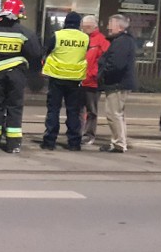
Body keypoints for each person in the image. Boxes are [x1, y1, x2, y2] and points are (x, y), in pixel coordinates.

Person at [0, 0, 42, 153]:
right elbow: (36, 54)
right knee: (14, 107)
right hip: (16, 75)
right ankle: (13, 144)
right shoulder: (25, 33)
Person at [40, 11, 89, 151]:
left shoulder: (57, 36)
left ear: (65, 22)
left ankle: (49, 141)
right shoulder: (85, 38)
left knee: (53, 111)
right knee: (73, 111)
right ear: (79, 24)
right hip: (75, 79)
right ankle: (74, 142)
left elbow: (47, 51)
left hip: (56, 78)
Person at [97, 14, 137, 153]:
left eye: (111, 23)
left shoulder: (122, 41)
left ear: (119, 26)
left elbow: (116, 64)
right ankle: (118, 142)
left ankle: (119, 143)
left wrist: (103, 73)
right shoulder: (124, 40)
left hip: (117, 83)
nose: (108, 27)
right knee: (117, 114)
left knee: (114, 114)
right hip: (119, 82)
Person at [79, 15, 110, 146]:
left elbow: (103, 61)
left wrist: (93, 75)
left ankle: (88, 135)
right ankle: (79, 133)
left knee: (91, 110)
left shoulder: (101, 41)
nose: (83, 29)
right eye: (83, 26)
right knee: (80, 109)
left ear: (93, 26)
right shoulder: (83, 39)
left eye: (86, 27)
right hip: (81, 79)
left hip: (92, 81)